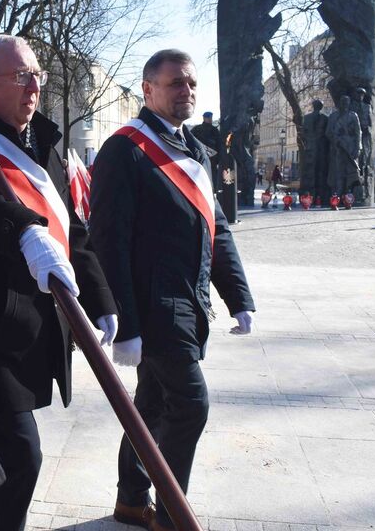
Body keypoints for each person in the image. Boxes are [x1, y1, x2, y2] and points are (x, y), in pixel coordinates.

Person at [0, 34, 118, 531]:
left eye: (37, 74)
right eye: (21, 76)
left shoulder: (46, 148)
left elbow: (72, 230)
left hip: (39, 330)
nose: (34, 85)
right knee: (19, 458)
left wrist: (101, 300)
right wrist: (23, 228)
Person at [89, 49, 256, 531]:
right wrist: (126, 324)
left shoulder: (196, 150)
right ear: (148, 90)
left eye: (191, 84)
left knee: (154, 405)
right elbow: (108, 241)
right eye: (175, 84)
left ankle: (130, 499)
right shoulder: (125, 149)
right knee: (189, 406)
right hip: (153, 307)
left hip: (191, 301)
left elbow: (216, 229)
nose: (187, 92)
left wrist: (238, 297)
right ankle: (170, 514)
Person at [326, 95, 362, 201]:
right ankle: (337, 194)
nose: (345, 105)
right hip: (338, 149)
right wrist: (336, 140)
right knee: (338, 171)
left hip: (351, 149)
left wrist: (358, 148)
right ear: (339, 104)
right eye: (342, 102)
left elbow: (358, 132)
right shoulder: (333, 116)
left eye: (347, 102)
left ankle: (349, 195)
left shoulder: (353, 115)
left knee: (352, 172)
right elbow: (328, 132)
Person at [190, 111, 224, 191]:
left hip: (212, 158)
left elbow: (219, 145)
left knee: (212, 176)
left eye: (210, 118)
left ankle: (212, 190)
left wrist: (219, 158)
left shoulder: (215, 131)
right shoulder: (197, 129)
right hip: (200, 157)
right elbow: (190, 140)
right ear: (204, 118)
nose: (209, 119)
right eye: (208, 118)